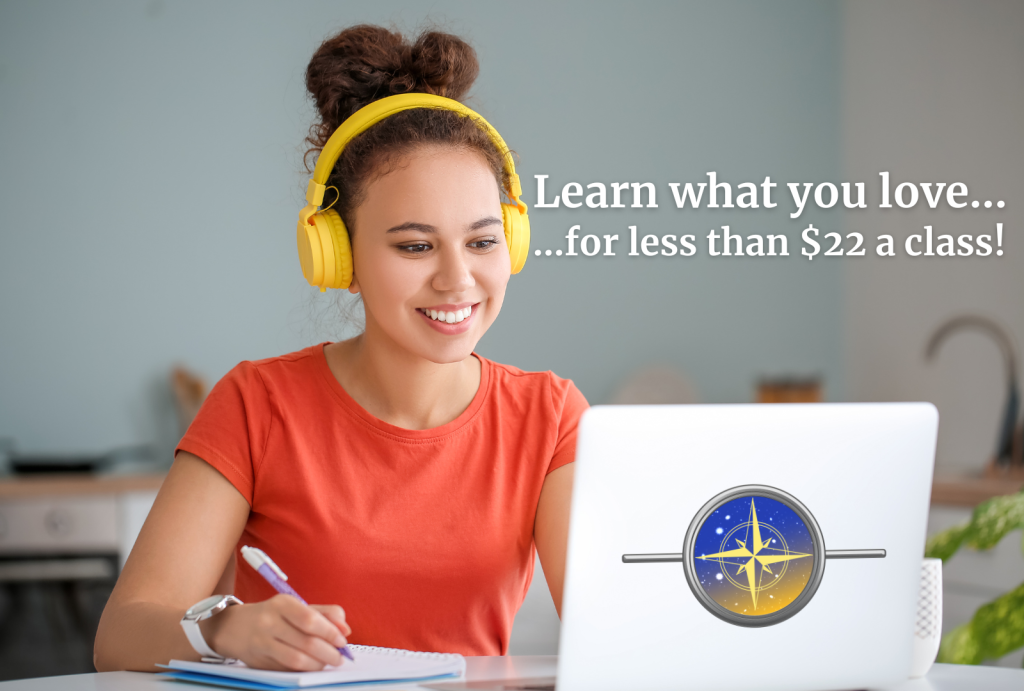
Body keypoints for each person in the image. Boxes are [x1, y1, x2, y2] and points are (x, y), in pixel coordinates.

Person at [94, 24, 588, 673]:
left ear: (514, 242)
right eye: (414, 245)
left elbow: (621, 625)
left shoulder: (549, 416)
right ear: (337, 257)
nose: (457, 278)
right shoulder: (256, 404)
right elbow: (121, 635)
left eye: (482, 240)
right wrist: (228, 628)